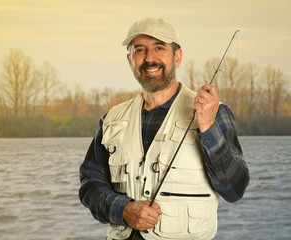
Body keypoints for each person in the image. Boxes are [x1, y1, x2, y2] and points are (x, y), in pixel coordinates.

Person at [79, 18, 249, 240]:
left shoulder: (214, 112)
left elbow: (235, 189)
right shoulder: (111, 119)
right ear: (130, 60)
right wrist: (123, 209)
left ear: (177, 57)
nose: (149, 58)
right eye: (140, 50)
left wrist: (207, 128)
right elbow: (90, 184)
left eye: (159, 48)